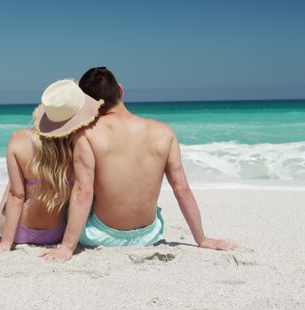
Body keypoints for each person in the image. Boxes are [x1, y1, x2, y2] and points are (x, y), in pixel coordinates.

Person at [40, 67, 237, 261]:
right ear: (120, 90)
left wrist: (66, 248)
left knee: (75, 185)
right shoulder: (164, 132)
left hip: (101, 235)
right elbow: (182, 188)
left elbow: (84, 191)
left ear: (87, 104)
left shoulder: (86, 135)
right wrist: (201, 239)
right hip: (150, 235)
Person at [0, 79, 103, 251]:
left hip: (19, 232)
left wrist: (5, 243)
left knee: (15, 183)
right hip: (56, 233)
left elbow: (17, 197)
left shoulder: (18, 139)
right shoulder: (80, 146)